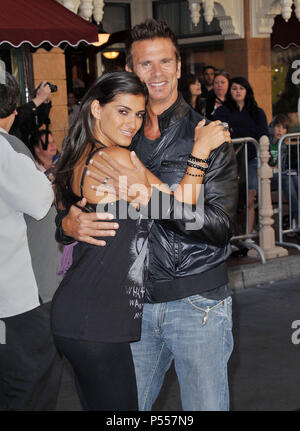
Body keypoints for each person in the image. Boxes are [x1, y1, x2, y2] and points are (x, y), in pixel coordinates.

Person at [56, 19, 238, 411]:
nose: (156, 74)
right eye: (145, 64)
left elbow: (219, 227)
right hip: (129, 307)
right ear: (129, 69)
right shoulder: (120, 131)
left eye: (164, 62)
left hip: (196, 302)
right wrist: (67, 224)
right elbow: (80, 199)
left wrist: (193, 159)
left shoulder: (208, 135)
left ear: (178, 66)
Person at [0, 73, 63, 411]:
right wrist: (50, 176)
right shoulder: (4, 147)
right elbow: (39, 200)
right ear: (10, 106)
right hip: (15, 300)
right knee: (30, 384)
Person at [214, 76, 269, 235]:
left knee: (250, 198)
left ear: (247, 91)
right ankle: (230, 236)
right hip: (229, 162)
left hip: (252, 160)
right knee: (230, 200)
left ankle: (248, 235)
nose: (238, 91)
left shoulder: (257, 112)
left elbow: (262, 135)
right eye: (234, 88)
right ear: (230, 91)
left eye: (241, 88)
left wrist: (235, 131)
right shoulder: (222, 111)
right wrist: (242, 133)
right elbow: (221, 132)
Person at [269, 114, 299, 230]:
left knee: (296, 178)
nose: (280, 130)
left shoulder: (284, 146)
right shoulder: (266, 141)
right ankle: (297, 218)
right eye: (277, 126)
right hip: (268, 177)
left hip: (279, 175)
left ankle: (295, 219)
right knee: (286, 178)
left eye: (283, 128)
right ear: (273, 127)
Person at [10, 81, 52, 151]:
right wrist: (39, 99)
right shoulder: (10, 117)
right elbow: (17, 118)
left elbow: (36, 122)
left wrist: (44, 102)